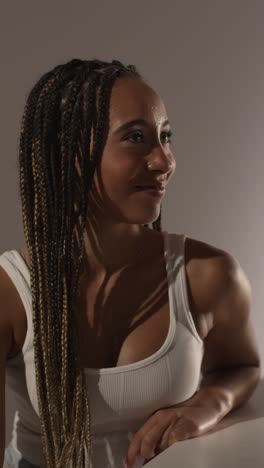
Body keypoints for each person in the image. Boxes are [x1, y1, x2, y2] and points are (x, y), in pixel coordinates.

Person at [0, 58, 261, 468]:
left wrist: (208, 405)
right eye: (136, 137)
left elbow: (243, 367)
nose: (164, 161)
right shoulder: (10, 292)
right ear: (68, 153)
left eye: (165, 136)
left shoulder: (208, 275)